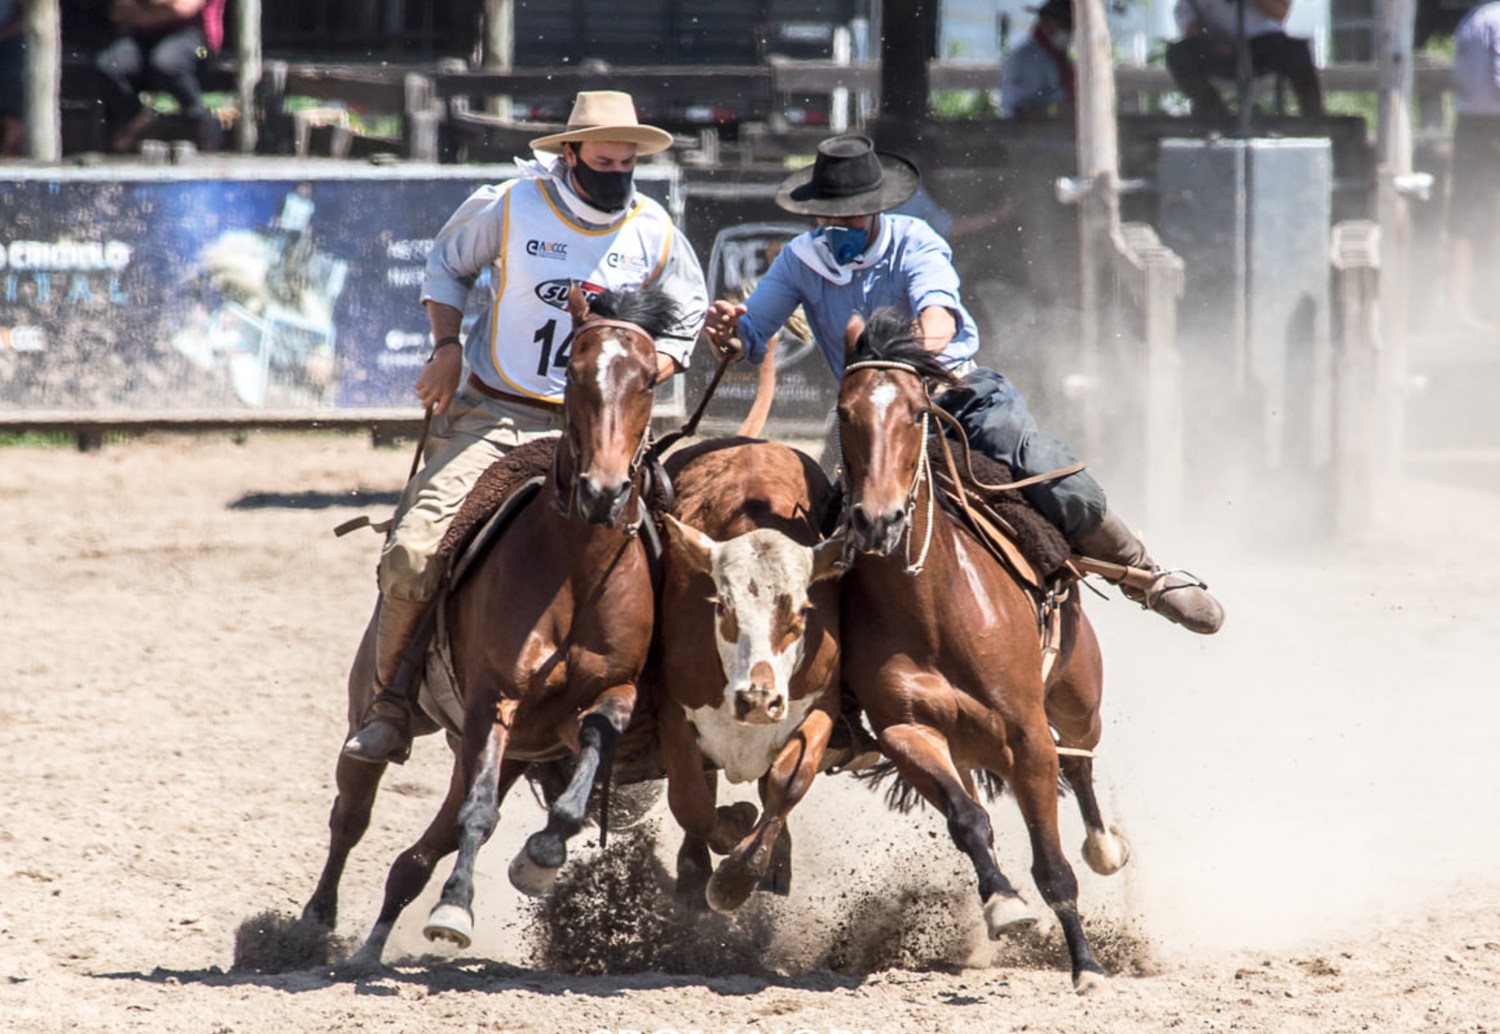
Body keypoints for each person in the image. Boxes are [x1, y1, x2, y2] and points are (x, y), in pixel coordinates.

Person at [703, 134, 1224, 636]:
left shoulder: (914, 240)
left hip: (958, 394)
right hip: (873, 414)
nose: (835, 225)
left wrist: (913, 354)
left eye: (848, 215)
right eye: (826, 215)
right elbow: (752, 335)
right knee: (818, 513)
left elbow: (939, 313)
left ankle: (1144, 574)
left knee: (1039, 464)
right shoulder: (800, 258)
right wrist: (729, 335)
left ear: (875, 208)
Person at [342, 90, 710, 765]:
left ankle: (674, 712)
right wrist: (446, 346)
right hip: (500, 415)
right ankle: (390, 700)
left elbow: (689, 311)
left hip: (603, 429)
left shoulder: (655, 230)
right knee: (413, 553)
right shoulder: (511, 204)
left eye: (628, 160)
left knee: (684, 563)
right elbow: (447, 265)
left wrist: (655, 365)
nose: (618, 170)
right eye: (605, 158)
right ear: (570, 153)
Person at [95, 0, 226, 154]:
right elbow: (119, 11)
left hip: (198, 44)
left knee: (167, 62)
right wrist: (163, 8)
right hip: (147, 37)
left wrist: (144, 9)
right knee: (109, 65)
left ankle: (198, 118)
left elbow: (184, 8)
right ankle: (138, 120)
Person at [1165, 0, 1323, 121]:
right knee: (1179, 54)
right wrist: (1208, 38)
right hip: (1217, 46)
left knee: (1296, 50)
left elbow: (1281, 12)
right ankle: (1216, 113)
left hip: (1264, 44)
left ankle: (1314, 118)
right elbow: (1186, 16)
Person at [1447, 0, 1500, 331]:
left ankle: (1459, 304)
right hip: (1494, 125)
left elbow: (1462, 77)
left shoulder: (1472, 20)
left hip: (1468, 124)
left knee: (1465, 215)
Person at [998, 0, 1075, 121]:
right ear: (1045, 21)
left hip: (1057, 133)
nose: (1070, 30)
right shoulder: (1024, 59)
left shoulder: (1059, 57)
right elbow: (1018, 110)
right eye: (1065, 24)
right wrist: (1058, 109)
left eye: (1071, 25)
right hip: (1027, 135)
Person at [0, 0, 26, 156]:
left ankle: (12, 142)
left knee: (15, 59)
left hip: (9, 39)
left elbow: (27, 19)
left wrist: (2, 34)